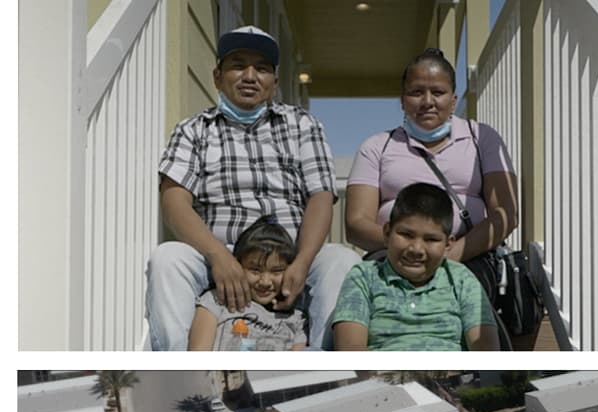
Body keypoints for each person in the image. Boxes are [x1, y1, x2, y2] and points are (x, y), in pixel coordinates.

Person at [147, 25, 358, 350]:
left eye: (261, 68)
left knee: (341, 262)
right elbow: (174, 203)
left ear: (274, 82)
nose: (249, 76)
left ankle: (318, 369)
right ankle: (178, 373)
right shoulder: (193, 130)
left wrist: (301, 262)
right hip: (219, 252)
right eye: (238, 65)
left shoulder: (302, 125)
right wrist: (219, 257)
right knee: (168, 258)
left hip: (288, 255)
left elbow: (321, 196)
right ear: (217, 77)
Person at [343, 48, 529, 344]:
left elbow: (506, 212)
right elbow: (355, 222)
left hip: (470, 254)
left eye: (438, 92)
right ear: (403, 100)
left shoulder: (483, 138)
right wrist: (409, 249)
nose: (427, 101)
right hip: (390, 254)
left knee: (469, 288)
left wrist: (450, 253)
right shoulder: (377, 146)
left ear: (453, 99)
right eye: (416, 92)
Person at [331, 183, 499, 351]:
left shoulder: (462, 279)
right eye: (406, 235)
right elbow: (350, 352)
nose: (416, 249)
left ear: (448, 245)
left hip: (451, 376)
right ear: (387, 233)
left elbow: (486, 353)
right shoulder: (363, 278)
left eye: (431, 239)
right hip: (381, 376)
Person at [188, 217, 307, 351]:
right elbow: (198, 357)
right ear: (237, 266)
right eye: (255, 270)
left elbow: (297, 367)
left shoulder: (296, 319)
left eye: (277, 271)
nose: (265, 282)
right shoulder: (217, 301)